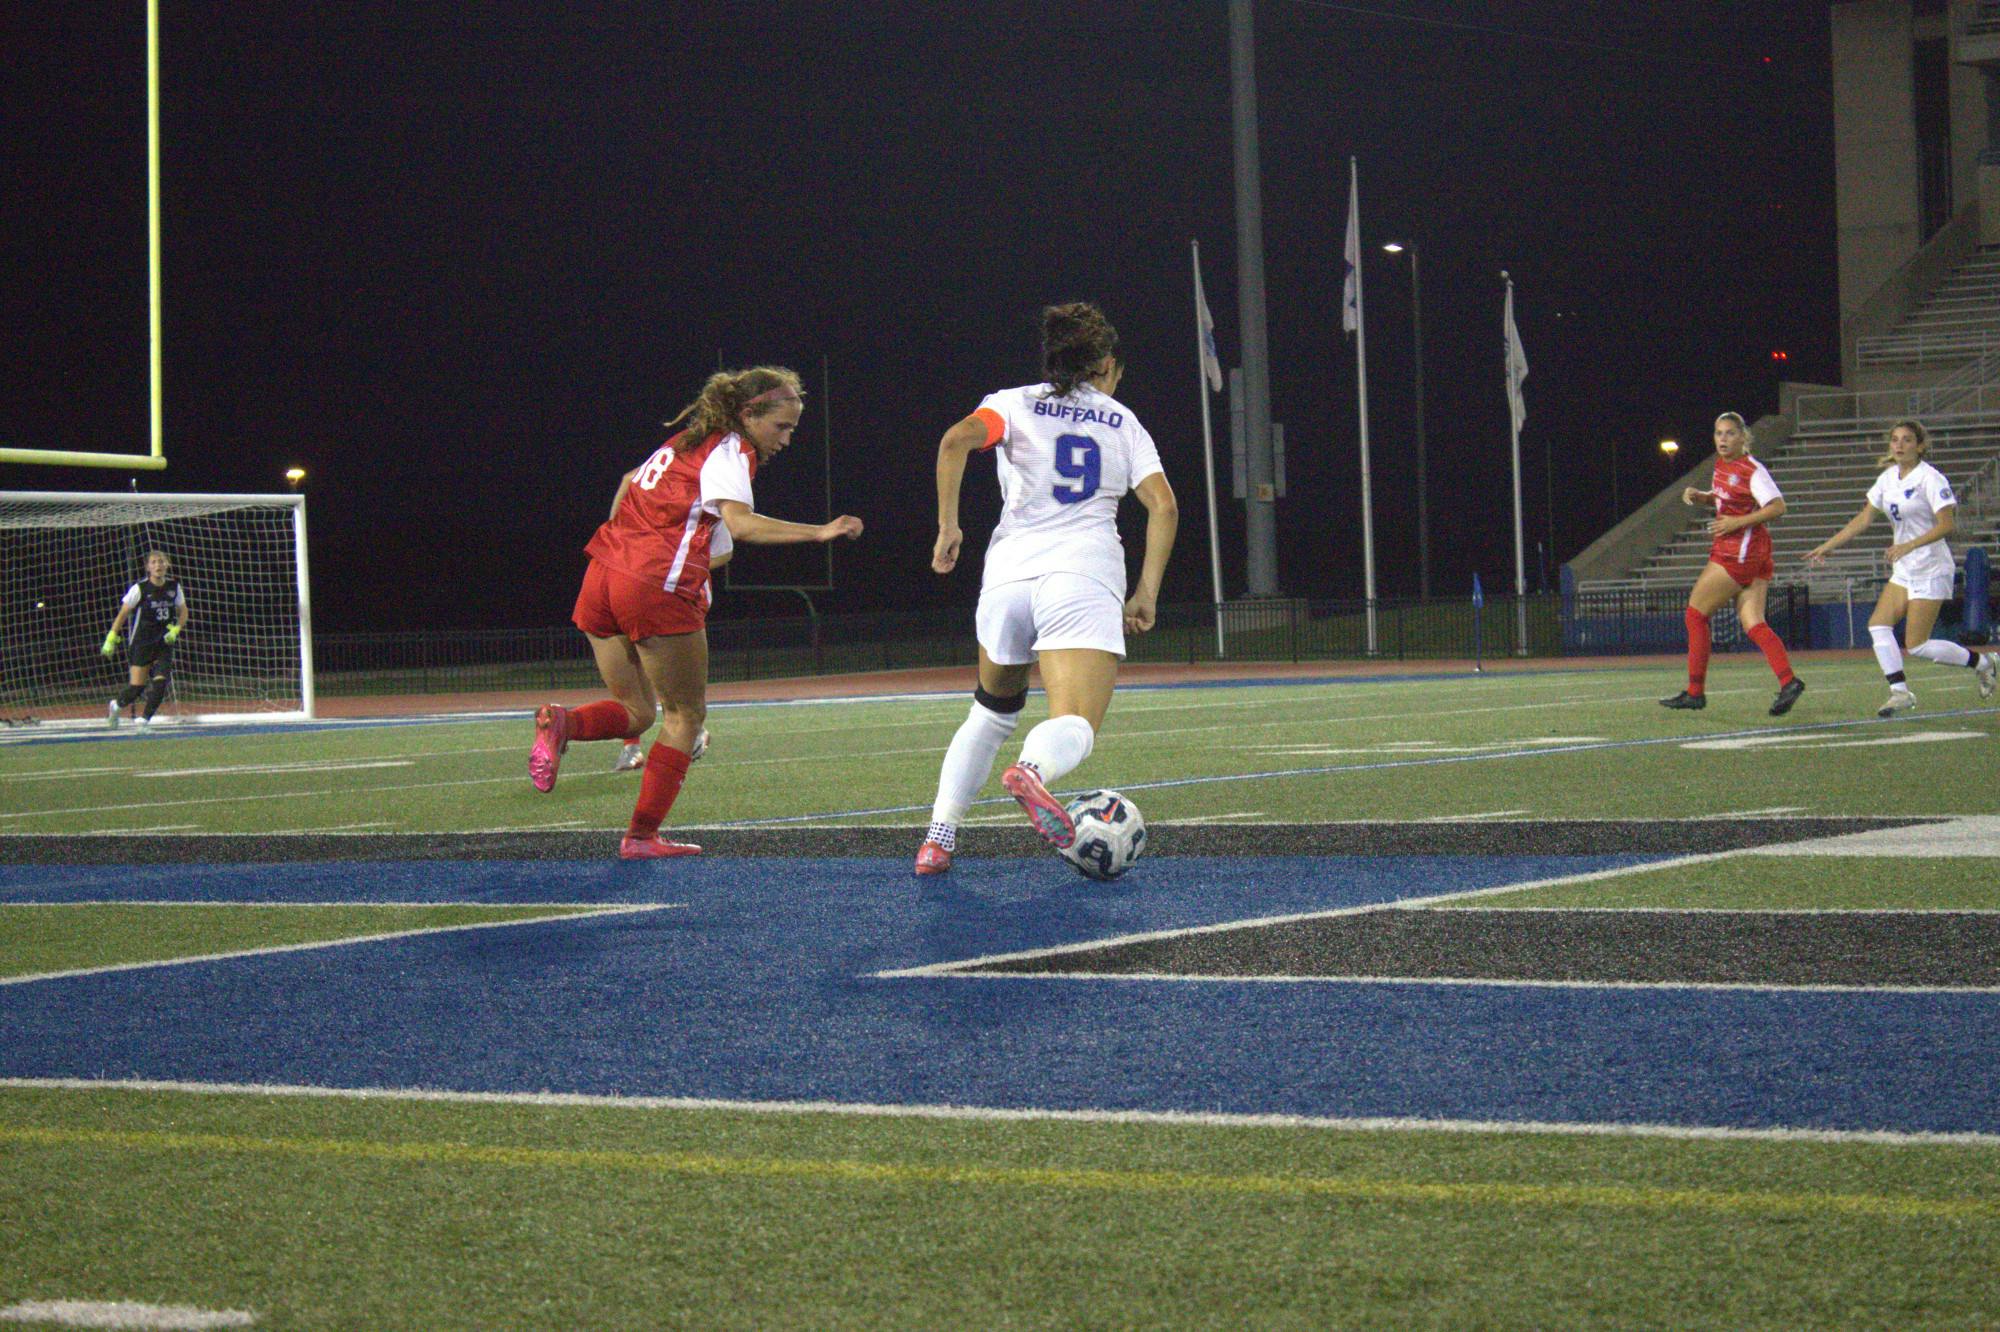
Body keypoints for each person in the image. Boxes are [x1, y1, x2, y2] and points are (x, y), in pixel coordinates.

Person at [531, 366, 863, 858]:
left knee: (637, 712)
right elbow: (742, 525)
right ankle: (641, 837)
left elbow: (630, 482)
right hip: (651, 582)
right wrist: (818, 532)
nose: (787, 440)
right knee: (686, 715)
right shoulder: (730, 449)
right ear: (748, 414)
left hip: (602, 573)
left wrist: (626, 539)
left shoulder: (685, 442)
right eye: (782, 427)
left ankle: (563, 722)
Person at [915, 302, 1178, 875]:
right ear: (1106, 363)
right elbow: (1163, 504)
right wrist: (1146, 592)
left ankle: (937, 838)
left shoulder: (1009, 402)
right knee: (1077, 722)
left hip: (1009, 574)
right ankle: (1032, 771)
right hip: (1081, 575)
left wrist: (948, 527)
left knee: (989, 712)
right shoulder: (1122, 420)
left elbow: (955, 442)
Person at [1805, 418, 1997, 714]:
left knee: (1916, 644)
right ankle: (1900, 692)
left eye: (1907, 439)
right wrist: (1828, 546)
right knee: (1878, 626)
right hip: (1905, 568)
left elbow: (1947, 525)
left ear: (1920, 446)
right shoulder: (1887, 478)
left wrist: (1908, 545)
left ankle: (1984, 662)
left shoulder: (1930, 479)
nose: (1899, 445)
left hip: (1931, 567)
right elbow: (1864, 519)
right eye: (1895, 439)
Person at [1660, 412, 1805, 717]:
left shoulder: (1752, 470)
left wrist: (1737, 522)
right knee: (1754, 623)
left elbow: (1778, 506)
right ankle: (1788, 681)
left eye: (1729, 434)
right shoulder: (1722, 464)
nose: (1722, 439)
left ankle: (1695, 692)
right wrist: (1703, 498)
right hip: (1754, 551)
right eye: (1718, 433)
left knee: (1695, 615)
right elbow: (1726, 498)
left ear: (1743, 438)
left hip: (1739, 552)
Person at [102, 550, 188, 729]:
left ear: (167, 564)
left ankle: (144, 719)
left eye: (161, 562)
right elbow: (123, 613)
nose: (158, 565)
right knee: (136, 688)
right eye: (154, 562)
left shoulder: (174, 587)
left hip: (164, 642)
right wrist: (111, 637)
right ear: (148, 567)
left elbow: (183, 611)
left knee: (161, 681)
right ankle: (116, 706)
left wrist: (176, 629)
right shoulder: (139, 589)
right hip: (141, 642)